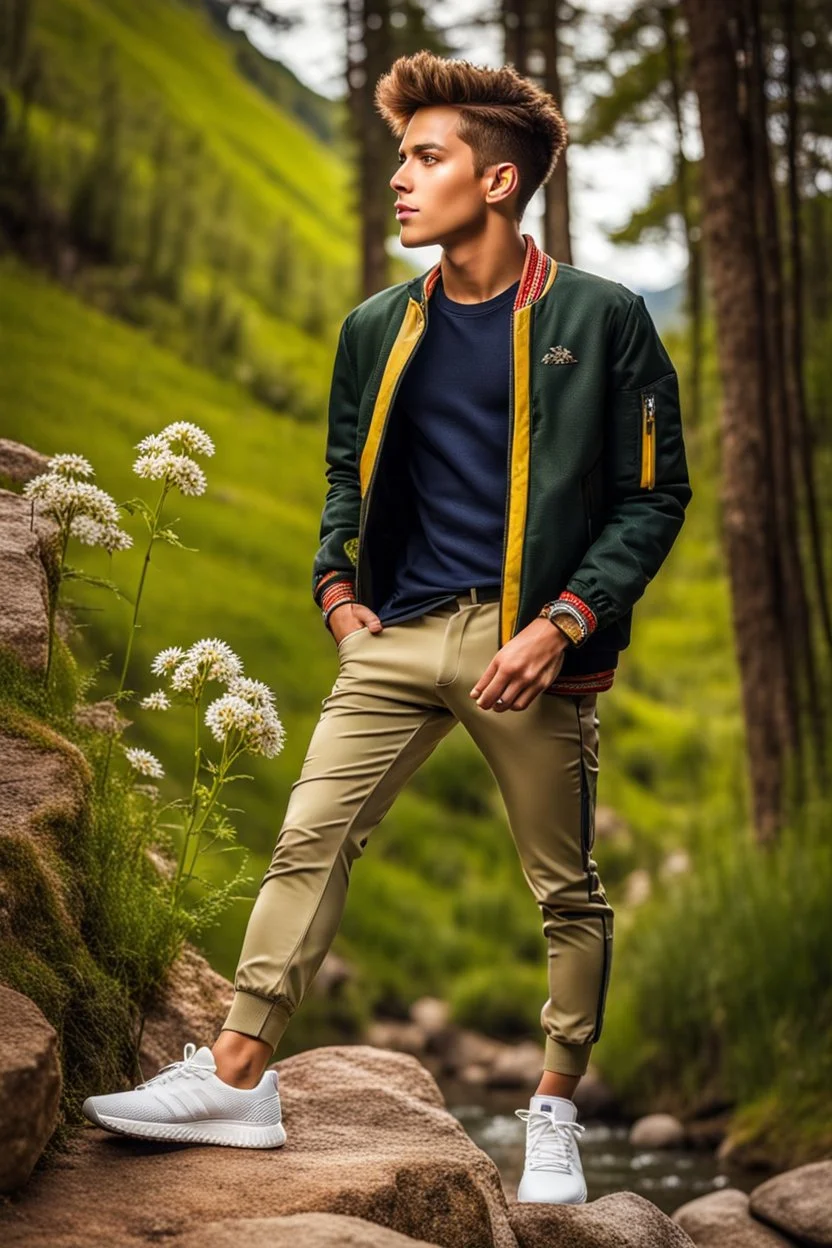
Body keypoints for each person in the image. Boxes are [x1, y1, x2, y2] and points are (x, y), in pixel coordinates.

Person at [83, 50, 692, 1203]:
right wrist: (334, 588)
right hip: (397, 636)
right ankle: (239, 1077)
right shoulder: (376, 326)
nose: (401, 179)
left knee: (563, 888)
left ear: (499, 181)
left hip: (530, 650)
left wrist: (563, 624)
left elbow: (654, 494)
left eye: (426, 156)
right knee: (310, 839)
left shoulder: (600, 319)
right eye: (400, 156)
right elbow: (340, 473)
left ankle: (554, 1112)